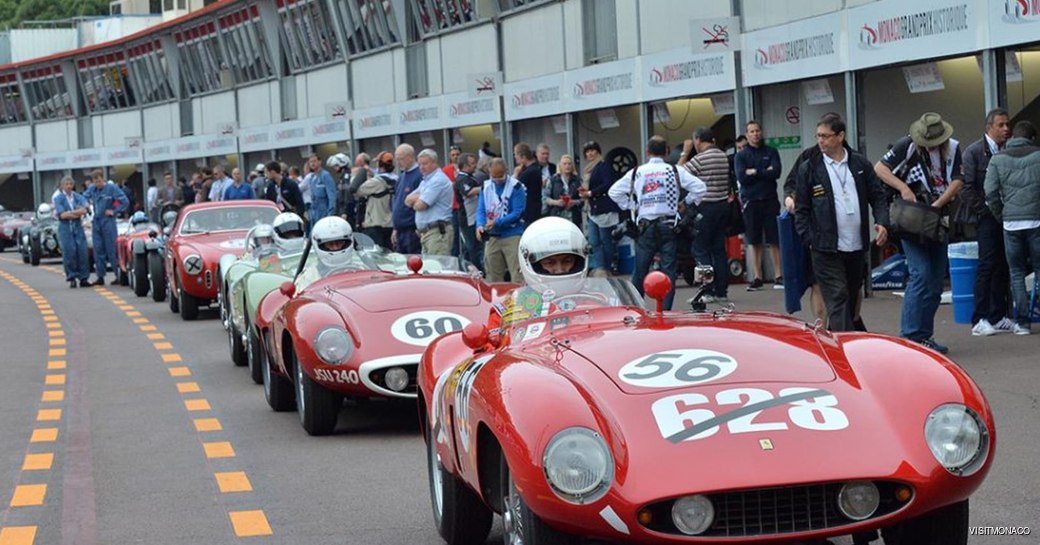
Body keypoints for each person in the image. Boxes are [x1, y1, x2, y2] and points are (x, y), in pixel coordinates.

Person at [876, 112, 965, 354]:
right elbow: (880, 169)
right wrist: (904, 188)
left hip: (938, 217)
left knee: (935, 279)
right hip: (912, 218)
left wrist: (939, 204)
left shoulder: (954, 149)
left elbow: (959, 179)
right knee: (921, 274)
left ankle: (924, 335)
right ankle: (909, 335)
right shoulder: (906, 145)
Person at [794, 117, 890, 331]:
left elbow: (877, 196)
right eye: (818, 136)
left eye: (825, 136)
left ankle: (850, 337)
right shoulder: (809, 168)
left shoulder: (859, 164)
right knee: (837, 296)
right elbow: (801, 209)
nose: (821, 141)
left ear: (840, 136)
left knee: (852, 294)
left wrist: (882, 222)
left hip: (856, 245)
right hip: (825, 246)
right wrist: (808, 238)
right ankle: (842, 348)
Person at [608, 135, 707, 310]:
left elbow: (614, 192)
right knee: (668, 272)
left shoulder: (637, 172)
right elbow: (700, 188)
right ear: (667, 152)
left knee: (639, 272)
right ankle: (665, 311)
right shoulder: (675, 170)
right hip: (669, 226)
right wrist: (686, 203)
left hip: (645, 228)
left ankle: (636, 311)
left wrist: (633, 206)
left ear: (647, 152)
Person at [487, 216, 591, 336]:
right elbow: (493, 349)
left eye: (567, 261)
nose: (559, 270)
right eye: (550, 262)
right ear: (532, 263)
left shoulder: (596, 302)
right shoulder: (507, 312)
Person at [984, 120, 1040, 336]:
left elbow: (990, 192)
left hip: (1011, 223)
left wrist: (1001, 214)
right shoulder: (1037, 155)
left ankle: (1023, 323)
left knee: (1015, 273)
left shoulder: (997, 160)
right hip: (1036, 221)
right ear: (1031, 138)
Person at [963, 108, 1014, 336]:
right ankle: (979, 318)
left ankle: (998, 315)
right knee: (987, 264)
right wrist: (985, 211)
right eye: (1001, 125)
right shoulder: (974, 152)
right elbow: (967, 187)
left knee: (1003, 264)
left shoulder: (1009, 151)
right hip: (986, 216)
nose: (1006, 129)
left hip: (1007, 215)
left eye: (1007, 125)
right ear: (989, 128)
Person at [681, 127, 733, 302]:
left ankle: (707, 290)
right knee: (718, 249)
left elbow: (677, 173)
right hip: (722, 206)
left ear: (698, 140)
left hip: (706, 208)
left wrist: (684, 152)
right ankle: (721, 291)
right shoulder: (723, 156)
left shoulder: (700, 158)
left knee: (700, 248)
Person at [735, 120, 784, 291]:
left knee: (774, 239)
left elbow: (776, 172)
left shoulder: (771, 151)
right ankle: (757, 276)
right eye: (751, 131)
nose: (755, 134)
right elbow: (742, 177)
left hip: (770, 200)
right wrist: (764, 171)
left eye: (757, 130)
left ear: (761, 132)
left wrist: (754, 171)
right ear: (747, 135)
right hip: (751, 202)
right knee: (754, 240)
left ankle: (778, 275)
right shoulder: (741, 156)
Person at [476, 157, 526, 282]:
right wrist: (480, 225)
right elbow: (481, 209)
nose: (498, 180)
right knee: (492, 274)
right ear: (489, 172)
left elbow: (517, 212)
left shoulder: (516, 186)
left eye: (501, 176)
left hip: (512, 234)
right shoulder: (486, 186)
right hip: (492, 235)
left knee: (517, 272)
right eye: (495, 177)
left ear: (506, 171)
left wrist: (497, 222)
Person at [579, 141, 621, 276]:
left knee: (606, 240)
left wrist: (591, 193)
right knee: (594, 241)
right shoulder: (587, 170)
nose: (590, 153)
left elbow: (608, 184)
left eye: (593, 150)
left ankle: (607, 266)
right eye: (587, 151)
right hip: (592, 210)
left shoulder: (604, 166)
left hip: (604, 209)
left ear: (598, 152)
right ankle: (600, 268)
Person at [83, 169, 129, 285]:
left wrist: (114, 211)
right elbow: (83, 198)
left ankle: (118, 275)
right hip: (96, 221)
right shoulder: (92, 189)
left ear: (103, 178)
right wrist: (86, 206)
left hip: (108, 221)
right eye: (95, 181)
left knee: (112, 249)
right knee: (98, 250)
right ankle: (100, 276)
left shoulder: (111, 188)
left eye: (99, 180)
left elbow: (125, 201)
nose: (98, 183)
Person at [405, 149, 455, 256]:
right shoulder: (425, 181)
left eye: (425, 164)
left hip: (437, 233)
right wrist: (421, 196)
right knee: (428, 269)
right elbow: (407, 200)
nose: (422, 167)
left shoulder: (438, 180)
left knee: (438, 268)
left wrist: (418, 199)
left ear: (434, 163)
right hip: (426, 234)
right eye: (420, 164)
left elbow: (420, 205)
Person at [53, 176, 91, 288]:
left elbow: (85, 209)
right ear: (63, 186)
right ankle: (72, 277)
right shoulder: (58, 198)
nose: (69, 186)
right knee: (69, 252)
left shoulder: (78, 196)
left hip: (78, 227)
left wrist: (71, 213)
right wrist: (76, 212)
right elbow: (62, 215)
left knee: (82, 252)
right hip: (65, 228)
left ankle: (84, 278)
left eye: (70, 184)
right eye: (66, 184)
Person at [354, 151, 396, 249]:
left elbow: (357, 191)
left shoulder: (376, 182)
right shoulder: (396, 178)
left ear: (380, 164)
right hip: (390, 223)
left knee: (376, 256)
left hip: (376, 223)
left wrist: (359, 174)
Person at [391, 144, 422, 254]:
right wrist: (395, 228)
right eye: (397, 159)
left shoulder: (419, 175)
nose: (398, 163)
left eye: (401, 159)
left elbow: (422, 202)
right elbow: (396, 202)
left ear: (410, 157)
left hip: (412, 230)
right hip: (400, 231)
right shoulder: (401, 177)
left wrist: (419, 227)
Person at [454, 152, 482, 267]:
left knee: (475, 246)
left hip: (475, 215)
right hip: (468, 218)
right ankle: (474, 268)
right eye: (472, 163)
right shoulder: (462, 179)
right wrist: (485, 187)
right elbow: (468, 192)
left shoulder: (470, 177)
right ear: (465, 165)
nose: (475, 165)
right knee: (472, 247)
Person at [543, 154, 582, 227]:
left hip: (573, 217)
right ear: (560, 166)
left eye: (569, 164)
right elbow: (544, 198)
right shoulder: (553, 180)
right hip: (557, 217)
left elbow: (583, 199)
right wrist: (556, 202)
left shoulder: (577, 180)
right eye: (565, 164)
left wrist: (574, 202)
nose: (567, 166)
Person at [514, 142, 543, 227]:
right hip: (534, 209)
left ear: (523, 156)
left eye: (516, 154)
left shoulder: (529, 172)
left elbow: (515, 188)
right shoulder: (534, 169)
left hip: (529, 211)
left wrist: (516, 175)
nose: (515, 157)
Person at [309, 154, 338, 225]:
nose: (312, 163)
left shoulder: (325, 175)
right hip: (314, 212)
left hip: (324, 210)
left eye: (314, 161)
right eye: (310, 162)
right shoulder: (312, 178)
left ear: (319, 162)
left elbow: (332, 196)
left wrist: (330, 213)